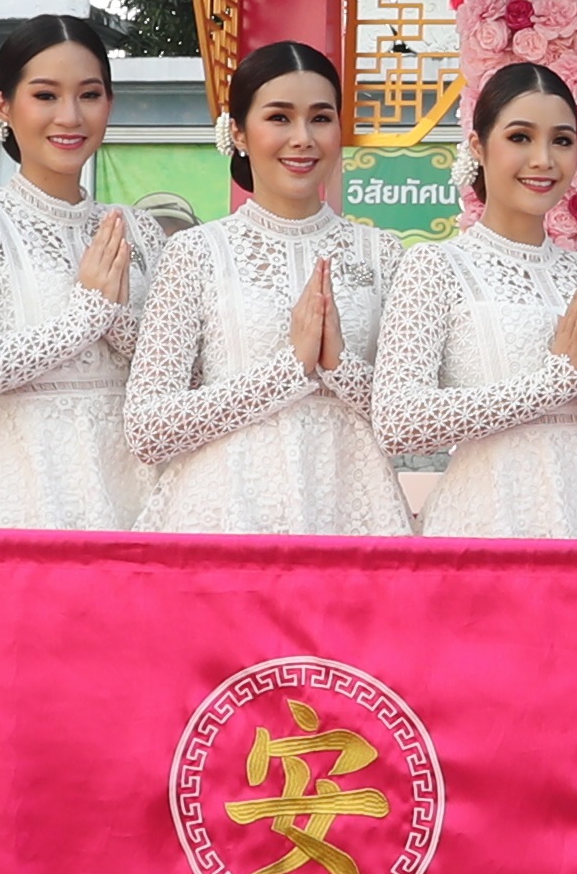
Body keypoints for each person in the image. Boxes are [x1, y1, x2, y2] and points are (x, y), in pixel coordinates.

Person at [373, 63, 577, 537]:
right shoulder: (436, 266)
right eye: (520, 137)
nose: (543, 159)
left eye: (561, 140)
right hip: (490, 522)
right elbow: (399, 421)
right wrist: (551, 384)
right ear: (478, 147)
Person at [122, 40, 411, 533]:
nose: (303, 138)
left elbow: (407, 423)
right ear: (237, 131)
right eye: (279, 118)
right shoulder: (197, 252)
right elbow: (148, 428)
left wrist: (338, 366)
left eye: (320, 119)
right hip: (224, 515)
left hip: (352, 512)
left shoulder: (382, 254)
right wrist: (289, 371)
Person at [0, 14, 158, 530]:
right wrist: (81, 322)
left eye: (89, 95)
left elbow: (180, 376)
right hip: (18, 501)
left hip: (134, 501)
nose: (70, 116)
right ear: (3, 105)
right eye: (45, 95)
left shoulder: (141, 230)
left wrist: (117, 323)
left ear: (109, 103)